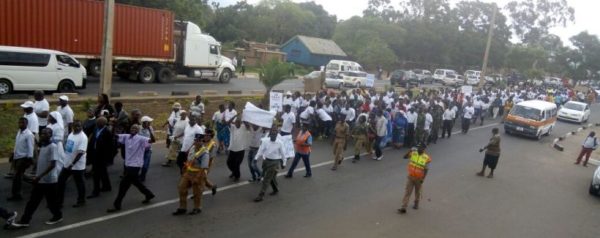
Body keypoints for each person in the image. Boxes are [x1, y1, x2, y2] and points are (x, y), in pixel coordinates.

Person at [9, 128, 62, 228]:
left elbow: (52, 165)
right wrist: (36, 174)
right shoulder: (43, 146)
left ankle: (58, 216)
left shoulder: (53, 147)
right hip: (40, 179)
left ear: (50, 135)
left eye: (45, 134)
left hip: (49, 181)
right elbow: (41, 162)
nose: (42, 135)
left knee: (51, 202)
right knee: (33, 201)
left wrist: (40, 176)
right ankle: (25, 220)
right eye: (42, 133)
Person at [107, 124, 155, 213]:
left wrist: (150, 130)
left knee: (123, 185)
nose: (133, 129)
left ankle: (117, 205)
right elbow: (114, 135)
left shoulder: (141, 138)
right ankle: (149, 194)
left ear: (138, 131)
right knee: (136, 182)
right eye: (132, 128)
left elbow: (152, 140)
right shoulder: (126, 136)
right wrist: (113, 125)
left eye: (136, 128)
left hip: (136, 165)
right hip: (128, 164)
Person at [172, 134, 209, 216]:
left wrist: (197, 178)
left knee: (196, 192)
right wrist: (185, 167)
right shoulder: (192, 148)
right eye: (195, 140)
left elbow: (203, 168)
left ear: (202, 142)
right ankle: (182, 208)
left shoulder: (204, 152)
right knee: (182, 188)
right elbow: (189, 159)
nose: (196, 142)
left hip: (198, 173)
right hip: (188, 172)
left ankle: (197, 208)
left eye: (198, 141)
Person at [57, 120, 88, 208]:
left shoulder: (83, 137)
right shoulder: (71, 134)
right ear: (73, 126)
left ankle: (81, 201)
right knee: (61, 182)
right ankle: (59, 202)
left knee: (79, 183)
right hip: (67, 163)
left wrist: (72, 164)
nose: (77, 127)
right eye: (75, 126)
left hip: (77, 166)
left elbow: (80, 153)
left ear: (81, 127)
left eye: (79, 126)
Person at [253, 129, 286, 202]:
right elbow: (261, 150)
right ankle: (276, 189)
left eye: (275, 134)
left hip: (274, 163)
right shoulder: (265, 141)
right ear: (270, 134)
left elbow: (283, 153)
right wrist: (256, 158)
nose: (273, 136)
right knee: (271, 178)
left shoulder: (280, 143)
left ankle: (261, 195)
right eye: (272, 134)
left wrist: (284, 163)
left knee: (266, 179)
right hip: (266, 161)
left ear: (277, 135)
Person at [398, 144, 431, 214]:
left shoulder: (426, 158)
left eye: (421, 148)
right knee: (407, 192)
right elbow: (404, 157)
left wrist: (423, 178)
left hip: (419, 178)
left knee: (417, 192)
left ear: (424, 149)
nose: (419, 149)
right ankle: (403, 207)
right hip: (410, 177)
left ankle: (416, 203)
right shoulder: (413, 153)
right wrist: (410, 150)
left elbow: (426, 169)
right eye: (419, 147)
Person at [7, 117, 35, 201]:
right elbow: (17, 144)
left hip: (23, 158)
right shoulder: (19, 132)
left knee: (17, 177)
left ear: (26, 124)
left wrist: (29, 159)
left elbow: (31, 148)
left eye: (22, 123)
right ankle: (34, 182)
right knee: (18, 175)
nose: (20, 124)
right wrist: (13, 153)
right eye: (19, 123)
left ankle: (16, 195)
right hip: (17, 157)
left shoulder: (29, 134)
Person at [87, 117, 115, 198]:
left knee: (96, 174)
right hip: (95, 154)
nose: (97, 123)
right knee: (103, 172)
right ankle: (107, 186)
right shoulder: (96, 129)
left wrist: (109, 159)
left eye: (98, 122)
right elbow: (93, 140)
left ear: (103, 124)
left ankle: (96, 191)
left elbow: (111, 146)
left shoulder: (107, 132)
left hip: (102, 156)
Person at [227, 117, 247, 182]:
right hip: (232, 149)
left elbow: (248, 125)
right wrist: (235, 116)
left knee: (237, 164)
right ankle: (234, 172)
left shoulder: (243, 127)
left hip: (240, 150)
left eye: (239, 122)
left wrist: (245, 117)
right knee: (229, 163)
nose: (237, 123)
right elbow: (228, 122)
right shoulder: (232, 127)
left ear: (241, 123)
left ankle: (237, 176)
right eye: (236, 122)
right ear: (235, 123)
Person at [138, 116, 156, 181]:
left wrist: (150, 130)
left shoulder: (150, 128)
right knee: (138, 164)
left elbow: (153, 140)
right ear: (144, 122)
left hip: (148, 150)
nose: (150, 124)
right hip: (139, 150)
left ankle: (143, 176)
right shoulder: (138, 128)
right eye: (149, 122)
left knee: (145, 165)